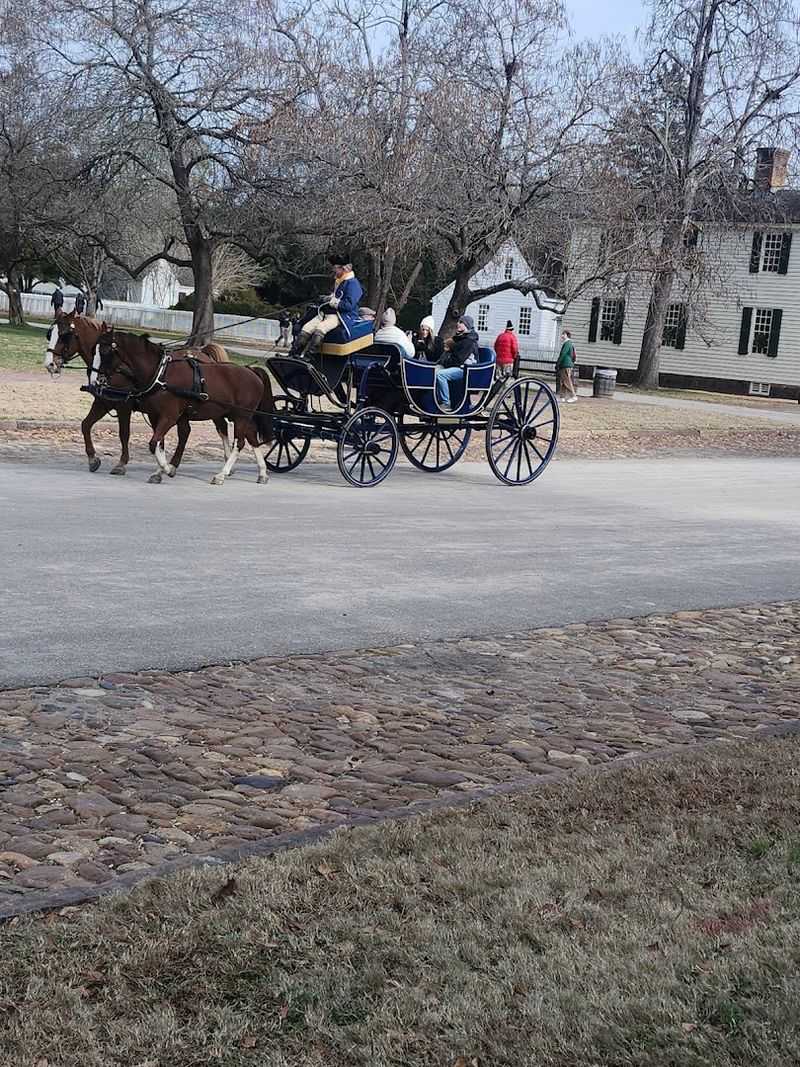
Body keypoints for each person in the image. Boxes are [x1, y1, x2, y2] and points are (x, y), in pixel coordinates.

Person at [289, 253, 363, 359]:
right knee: (307, 328)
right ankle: (293, 354)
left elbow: (348, 305)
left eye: (335, 268)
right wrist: (327, 298)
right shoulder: (340, 281)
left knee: (321, 328)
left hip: (340, 316)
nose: (333, 271)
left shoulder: (353, 283)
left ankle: (309, 356)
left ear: (343, 269)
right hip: (328, 313)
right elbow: (337, 296)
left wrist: (330, 300)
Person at [435, 314, 480, 411]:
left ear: (466, 325)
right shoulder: (459, 338)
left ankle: (446, 403)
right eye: (459, 321)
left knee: (440, 375)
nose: (458, 324)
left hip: (465, 370)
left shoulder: (469, 341)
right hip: (458, 366)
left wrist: (446, 362)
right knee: (433, 371)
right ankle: (435, 398)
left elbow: (458, 360)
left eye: (461, 322)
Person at [556, 329, 578, 403]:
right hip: (566, 364)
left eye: (563, 334)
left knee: (566, 381)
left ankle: (573, 396)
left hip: (565, 364)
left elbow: (563, 354)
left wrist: (558, 363)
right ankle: (562, 397)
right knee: (563, 381)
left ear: (567, 335)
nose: (562, 335)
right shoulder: (569, 343)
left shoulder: (567, 343)